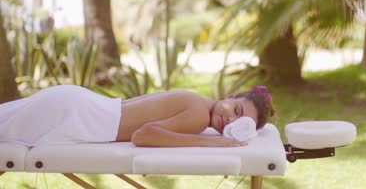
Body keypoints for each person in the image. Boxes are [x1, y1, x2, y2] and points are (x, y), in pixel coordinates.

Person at [0, 85, 275, 148]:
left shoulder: (197, 100)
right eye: (235, 110)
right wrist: (216, 143)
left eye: (239, 123)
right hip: (77, 115)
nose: (230, 121)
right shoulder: (200, 115)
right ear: (229, 97)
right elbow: (143, 135)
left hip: (78, 105)